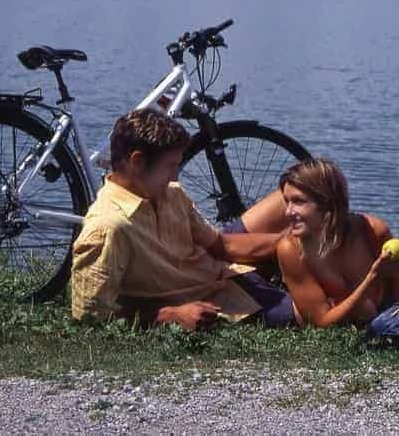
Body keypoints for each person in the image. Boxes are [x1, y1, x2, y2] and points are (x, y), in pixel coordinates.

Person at [71, 109, 294, 330]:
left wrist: (289, 242)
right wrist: (170, 314)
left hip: (227, 271)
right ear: (136, 161)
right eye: (171, 166)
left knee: (310, 187)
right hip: (222, 300)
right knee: (311, 312)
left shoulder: (171, 193)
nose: (175, 176)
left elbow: (220, 245)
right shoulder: (108, 227)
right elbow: (90, 316)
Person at [242, 156, 399, 328]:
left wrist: (398, 272)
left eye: (299, 202)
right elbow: (323, 322)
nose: (288, 212)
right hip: (314, 309)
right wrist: (372, 276)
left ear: (327, 202)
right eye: (287, 202)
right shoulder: (291, 249)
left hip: (390, 301)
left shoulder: (372, 231)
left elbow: (398, 295)